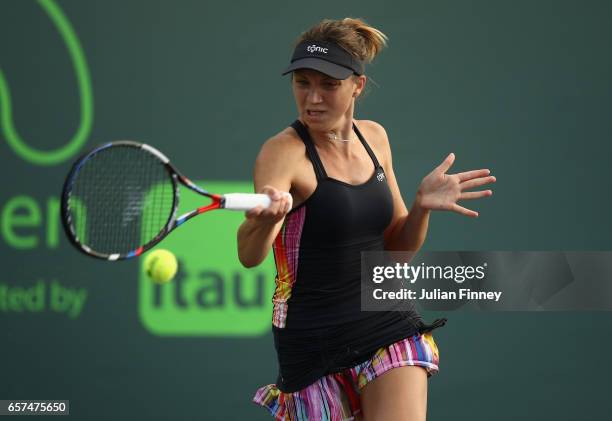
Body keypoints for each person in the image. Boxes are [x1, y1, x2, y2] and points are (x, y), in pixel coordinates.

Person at [238, 17, 495, 421]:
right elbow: (251, 256)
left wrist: (421, 207)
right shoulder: (281, 152)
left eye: (328, 84)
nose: (313, 98)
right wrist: (266, 220)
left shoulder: (375, 137)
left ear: (357, 85)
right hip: (311, 339)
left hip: (386, 322)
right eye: (303, 82)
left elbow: (396, 253)